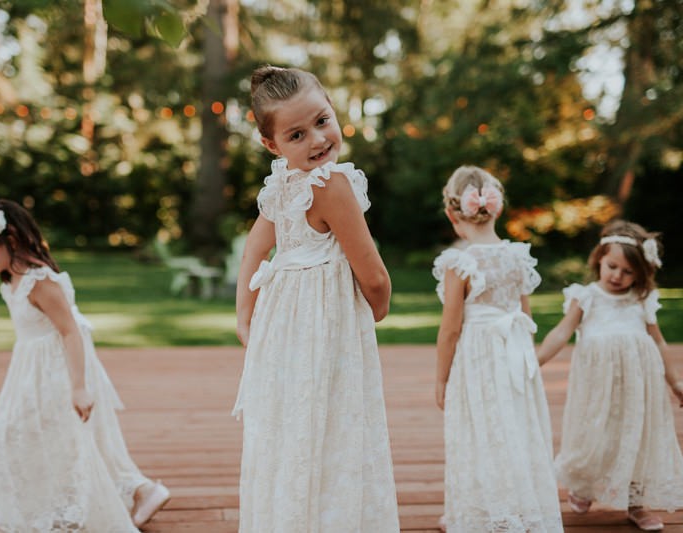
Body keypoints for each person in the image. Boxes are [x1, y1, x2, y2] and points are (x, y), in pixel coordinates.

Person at [231, 65, 400, 532]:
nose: (317, 141)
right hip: (326, 332)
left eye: (323, 121)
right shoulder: (332, 185)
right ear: (273, 145)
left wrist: (246, 318)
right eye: (297, 134)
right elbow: (374, 273)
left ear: (333, 109)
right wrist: (379, 307)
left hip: (282, 332)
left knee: (293, 432)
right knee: (336, 429)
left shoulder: (282, 184)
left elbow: (254, 247)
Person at [0, 198, 170, 533]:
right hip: (29, 371)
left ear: (11, 240)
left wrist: (78, 387)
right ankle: (131, 492)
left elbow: (69, 332)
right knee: (28, 436)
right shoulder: (11, 280)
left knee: (57, 438)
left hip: (59, 371)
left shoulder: (38, 281)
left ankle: (47, 516)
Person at [432, 166, 563, 533]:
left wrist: (441, 379)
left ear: (452, 214)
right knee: (516, 429)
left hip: (476, 357)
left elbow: (450, 329)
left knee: (478, 431)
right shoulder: (518, 257)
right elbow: (525, 315)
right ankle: (519, 506)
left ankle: (479, 513)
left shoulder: (459, 263)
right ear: (497, 208)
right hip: (514, 354)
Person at [536, 220, 683, 531]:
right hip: (597, 389)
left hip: (638, 390)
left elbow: (658, 341)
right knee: (594, 437)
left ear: (641, 273)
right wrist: (536, 360)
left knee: (635, 440)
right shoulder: (586, 297)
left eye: (628, 271)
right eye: (612, 266)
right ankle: (583, 486)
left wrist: (675, 381)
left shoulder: (641, 300)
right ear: (599, 259)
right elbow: (563, 331)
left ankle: (636, 503)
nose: (617, 276)